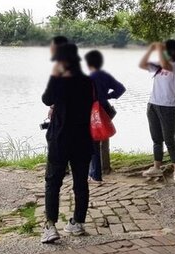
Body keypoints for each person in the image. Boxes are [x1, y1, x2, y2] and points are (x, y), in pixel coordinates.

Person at [41, 43, 94, 243]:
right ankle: (78, 222)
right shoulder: (87, 81)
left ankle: (50, 226)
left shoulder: (59, 80)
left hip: (60, 138)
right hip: (82, 139)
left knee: (53, 182)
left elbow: (46, 99)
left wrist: (54, 75)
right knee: (80, 183)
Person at [139, 40, 175, 183]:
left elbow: (166, 64)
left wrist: (160, 49)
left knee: (169, 140)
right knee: (156, 139)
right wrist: (151, 48)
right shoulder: (159, 65)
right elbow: (142, 64)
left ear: (173, 51)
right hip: (153, 104)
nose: (163, 52)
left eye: (166, 49)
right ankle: (156, 167)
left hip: (168, 107)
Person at [85, 50, 126, 184]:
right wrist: (107, 96)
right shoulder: (105, 75)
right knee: (101, 139)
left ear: (88, 63)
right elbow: (121, 89)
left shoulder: (89, 78)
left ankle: (95, 175)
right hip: (104, 111)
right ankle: (101, 170)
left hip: (92, 113)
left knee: (93, 143)